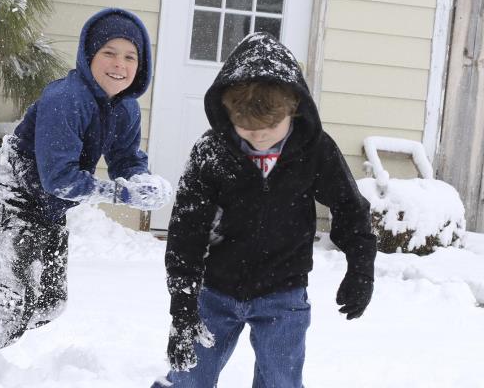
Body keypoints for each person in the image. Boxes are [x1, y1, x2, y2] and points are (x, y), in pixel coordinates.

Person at [0, 7, 174, 387]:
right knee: (16, 299)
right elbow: (60, 179)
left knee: (49, 303)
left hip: (48, 207)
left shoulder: (126, 108)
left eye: (130, 56)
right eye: (109, 53)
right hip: (13, 196)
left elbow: (126, 158)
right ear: (89, 57)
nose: (120, 64)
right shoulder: (67, 98)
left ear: (142, 64)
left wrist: (141, 181)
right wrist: (120, 193)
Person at [152, 32, 377, 388]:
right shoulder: (212, 153)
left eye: (271, 126)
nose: (259, 136)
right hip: (216, 290)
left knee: (281, 381)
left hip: (283, 292)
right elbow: (187, 230)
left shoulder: (314, 149)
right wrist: (182, 304)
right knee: (188, 378)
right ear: (227, 112)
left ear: (294, 108)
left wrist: (361, 268)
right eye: (246, 126)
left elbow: (350, 208)